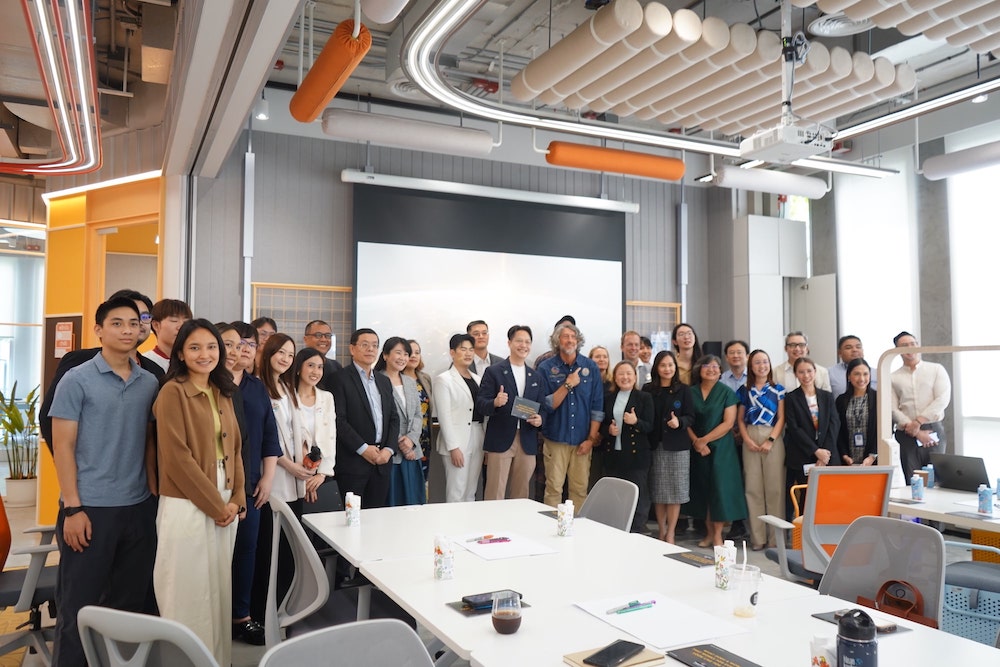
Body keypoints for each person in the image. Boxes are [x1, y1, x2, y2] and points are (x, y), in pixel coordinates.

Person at [49, 297, 160, 666]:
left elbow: (148, 444)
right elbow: (62, 447)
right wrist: (73, 507)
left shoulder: (149, 382)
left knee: (127, 610)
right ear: (99, 330)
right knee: (79, 609)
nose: (127, 330)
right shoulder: (76, 379)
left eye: (133, 322)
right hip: (90, 509)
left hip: (138, 508)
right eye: (117, 323)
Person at [153, 319, 245, 667]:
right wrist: (217, 505)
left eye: (211, 347)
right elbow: (177, 459)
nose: (204, 354)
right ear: (180, 353)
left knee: (218, 590)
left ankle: (218, 661)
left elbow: (235, 448)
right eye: (194, 347)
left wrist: (237, 498)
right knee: (187, 593)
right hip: (187, 504)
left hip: (224, 502)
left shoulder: (221, 390)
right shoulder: (172, 392)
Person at [40, 288, 163, 450]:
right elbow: (49, 417)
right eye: (122, 320)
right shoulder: (78, 363)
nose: (137, 323)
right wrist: (69, 467)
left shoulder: (155, 373)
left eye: (144, 317)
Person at [220, 323, 279, 646]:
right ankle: (213, 616)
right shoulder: (211, 384)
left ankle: (241, 617)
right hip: (215, 487)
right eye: (236, 343)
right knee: (214, 554)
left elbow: (270, 436)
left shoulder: (256, 387)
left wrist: (268, 478)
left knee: (246, 551)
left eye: (250, 345)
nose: (242, 350)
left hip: (253, 485)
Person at [537, 322, 605, 507]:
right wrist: (567, 385)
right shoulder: (545, 368)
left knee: (580, 489)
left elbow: (597, 407)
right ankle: (551, 532)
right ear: (557, 341)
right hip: (555, 439)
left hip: (582, 442)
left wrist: (591, 440)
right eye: (565, 336)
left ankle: (579, 533)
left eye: (573, 337)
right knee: (553, 489)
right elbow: (545, 405)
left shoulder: (590, 367)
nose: (570, 340)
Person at [331, 328, 400, 508]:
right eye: (365, 345)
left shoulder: (383, 381)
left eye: (375, 345)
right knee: (351, 521)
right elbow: (339, 421)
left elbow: (394, 418)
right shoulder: (339, 378)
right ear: (352, 349)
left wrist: (389, 449)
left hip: (382, 462)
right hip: (353, 464)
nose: (370, 349)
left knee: (376, 520)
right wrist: (363, 449)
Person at [684, 354, 747, 548]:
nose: (711, 369)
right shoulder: (690, 392)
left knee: (720, 492)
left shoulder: (727, 392)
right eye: (707, 366)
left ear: (720, 371)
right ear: (699, 370)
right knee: (702, 491)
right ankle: (709, 533)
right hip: (697, 449)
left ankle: (719, 535)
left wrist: (703, 441)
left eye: (715, 366)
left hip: (721, 449)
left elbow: (729, 423)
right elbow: (685, 420)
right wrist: (696, 442)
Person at [477, 325, 546, 500]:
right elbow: (481, 404)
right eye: (519, 341)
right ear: (509, 343)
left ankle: (516, 527)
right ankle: (492, 527)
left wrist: (540, 419)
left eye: (528, 342)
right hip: (501, 438)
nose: (524, 345)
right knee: (495, 492)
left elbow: (543, 407)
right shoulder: (494, 371)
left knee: (521, 494)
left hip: (527, 439)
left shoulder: (535, 376)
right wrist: (495, 402)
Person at [736, 350, 786, 551]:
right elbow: (740, 419)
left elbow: (782, 417)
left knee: (775, 489)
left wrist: (771, 440)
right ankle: (758, 538)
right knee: (753, 489)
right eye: (757, 362)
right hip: (750, 435)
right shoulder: (744, 390)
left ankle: (775, 539)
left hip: (772, 436)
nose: (762, 365)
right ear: (751, 365)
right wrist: (746, 439)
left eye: (765, 361)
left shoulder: (778, 389)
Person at [643, 350, 694, 543]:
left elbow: (691, 417)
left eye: (670, 365)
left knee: (676, 491)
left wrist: (679, 422)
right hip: (656, 445)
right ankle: (661, 530)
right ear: (657, 367)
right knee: (659, 491)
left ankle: (671, 532)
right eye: (663, 365)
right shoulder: (648, 389)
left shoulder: (684, 389)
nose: (667, 369)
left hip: (678, 446)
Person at [599, 361, 655, 533]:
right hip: (613, 455)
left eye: (628, 373)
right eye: (621, 374)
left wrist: (635, 422)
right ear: (615, 377)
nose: (625, 377)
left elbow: (650, 426)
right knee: (616, 495)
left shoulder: (644, 397)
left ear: (635, 376)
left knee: (638, 495)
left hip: (636, 456)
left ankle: (637, 529)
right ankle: (617, 529)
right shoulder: (608, 398)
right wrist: (608, 430)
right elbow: (601, 424)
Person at [891, 331, 951, 480]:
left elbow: (942, 399)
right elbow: (892, 408)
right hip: (906, 433)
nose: (910, 348)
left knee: (936, 479)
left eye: (913, 344)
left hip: (932, 428)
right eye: (904, 346)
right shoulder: (893, 377)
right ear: (897, 350)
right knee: (912, 480)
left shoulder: (936, 369)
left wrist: (919, 422)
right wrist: (915, 430)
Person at [784, 356, 840, 515]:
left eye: (809, 371)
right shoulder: (791, 398)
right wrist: (816, 451)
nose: (806, 375)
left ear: (815, 372)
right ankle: (803, 537)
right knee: (807, 497)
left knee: (829, 495)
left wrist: (824, 453)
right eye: (801, 372)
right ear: (796, 374)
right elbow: (794, 429)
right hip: (803, 455)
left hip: (828, 455)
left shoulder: (827, 396)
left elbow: (834, 424)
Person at [434, 333, 485, 502]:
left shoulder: (478, 379)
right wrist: (453, 447)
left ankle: (467, 528)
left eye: (471, 349)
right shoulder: (444, 380)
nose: (468, 353)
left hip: (477, 435)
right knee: (457, 491)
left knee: (471, 491)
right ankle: (453, 528)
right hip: (457, 441)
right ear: (452, 352)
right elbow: (444, 416)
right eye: (463, 349)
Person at [376, 337, 426, 505]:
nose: (403, 358)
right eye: (398, 353)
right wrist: (401, 445)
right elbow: (382, 419)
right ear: (385, 355)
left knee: (414, 504)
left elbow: (418, 415)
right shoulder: (376, 381)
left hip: (412, 453)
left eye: (406, 354)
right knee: (393, 504)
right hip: (392, 454)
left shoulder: (410, 382)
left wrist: (411, 440)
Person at [289, 347, 337, 505]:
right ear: (298, 368)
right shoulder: (287, 397)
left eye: (320, 367)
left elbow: (331, 438)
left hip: (321, 473)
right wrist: (306, 475)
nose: (315, 371)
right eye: (310, 365)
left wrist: (321, 474)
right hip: (292, 470)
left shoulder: (326, 397)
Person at [836, 358, 878, 466]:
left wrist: (872, 456)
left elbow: (884, 430)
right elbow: (838, 430)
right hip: (848, 459)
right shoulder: (841, 400)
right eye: (857, 374)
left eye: (865, 374)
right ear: (849, 376)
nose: (862, 378)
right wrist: (844, 454)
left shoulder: (878, 398)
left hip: (873, 459)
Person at [404, 339, 433, 482]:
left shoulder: (425, 378)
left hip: (425, 438)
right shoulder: (395, 378)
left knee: (423, 481)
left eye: (417, 352)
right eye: (410, 352)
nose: (414, 356)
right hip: (405, 440)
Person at [142, 298, 193, 372]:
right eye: (174, 320)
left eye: (186, 321)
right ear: (156, 325)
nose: (181, 326)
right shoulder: (144, 363)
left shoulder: (195, 361)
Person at [303, 319, 344, 392]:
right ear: (306, 339)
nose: (323, 339)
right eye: (318, 335)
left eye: (328, 336)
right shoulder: (296, 364)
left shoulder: (336, 366)